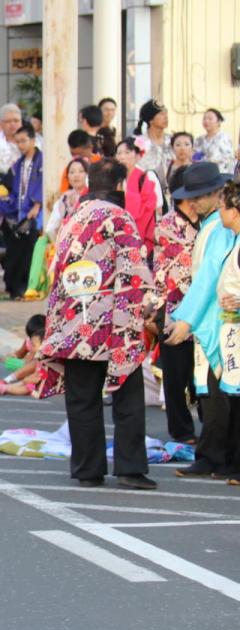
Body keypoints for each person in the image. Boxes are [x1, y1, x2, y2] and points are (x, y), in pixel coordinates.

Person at [37, 158, 158, 490]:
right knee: (127, 396)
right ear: (119, 185)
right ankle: (130, 469)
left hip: (74, 320)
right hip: (114, 322)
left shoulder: (72, 219)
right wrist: (144, 310)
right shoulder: (119, 217)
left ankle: (88, 469)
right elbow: (133, 270)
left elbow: (56, 275)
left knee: (82, 399)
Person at [167, 174, 240, 482]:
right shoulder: (213, 226)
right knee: (213, 393)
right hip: (213, 317)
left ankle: (220, 457)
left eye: (198, 196)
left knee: (221, 393)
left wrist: (186, 319)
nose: (192, 203)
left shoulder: (220, 230)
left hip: (218, 319)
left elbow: (210, 277)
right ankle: (213, 455)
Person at [152, 164, 208, 444]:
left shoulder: (209, 221)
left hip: (206, 311)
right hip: (174, 309)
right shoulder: (168, 225)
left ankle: (209, 427)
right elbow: (181, 270)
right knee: (176, 376)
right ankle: (182, 430)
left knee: (205, 375)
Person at [2, 123, 43, 300]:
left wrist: (38, 204)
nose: (21, 145)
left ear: (33, 140)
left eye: (24, 141)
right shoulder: (18, 164)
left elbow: (43, 183)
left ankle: (26, 287)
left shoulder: (42, 161)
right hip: (20, 213)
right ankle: (15, 288)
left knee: (29, 253)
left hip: (35, 215)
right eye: (17, 142)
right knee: (16, 253)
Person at [116, 137, 163, 252]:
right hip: (119, 231)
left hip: (144, 233)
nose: (122, 157)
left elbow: (158, 207)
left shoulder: (147, 177)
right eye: (119, 153)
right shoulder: (116, 179)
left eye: (127, 152)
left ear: (138, 155)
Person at [0, 314, 45, 395]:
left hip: (38, 376)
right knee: (25, 381)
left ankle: (3, 387)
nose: (31, 341)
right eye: (30, 337)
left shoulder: (48, 355)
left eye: (34, 344)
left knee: (27, 385)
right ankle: (2, 384)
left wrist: (27, 378)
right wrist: (12, 357)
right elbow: (19, 354)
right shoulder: (29, 342)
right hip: (29, 372)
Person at [44, 158, 89, 243]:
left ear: (87, 174)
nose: (76, 175)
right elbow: (52, 226)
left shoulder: (92, 197)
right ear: (67, 176)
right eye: (72, 172)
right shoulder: (63, 198)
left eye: (81, 171)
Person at [135, 100, 172, 198]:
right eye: (161, 114)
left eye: (166, 113)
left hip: (172, 193)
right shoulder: (139, 143)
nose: (166, 117)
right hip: (147, 193)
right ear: (150, 120)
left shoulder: (173, 141)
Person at [195, 108, 236, 176]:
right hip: (202, 176)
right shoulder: (199, 140)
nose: (206, 121)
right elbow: (196, 157)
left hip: (221, 176)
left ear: (218, 122)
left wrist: (206, 159)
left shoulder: (224, 138)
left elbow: (227, 158)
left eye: (210, 119)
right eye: (204, 118)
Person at [0, 103, 23, 173]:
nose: (13, 124)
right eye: (8, 121)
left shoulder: (34, 142)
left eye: (16, 121)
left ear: (21, 122)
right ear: (1, 124)